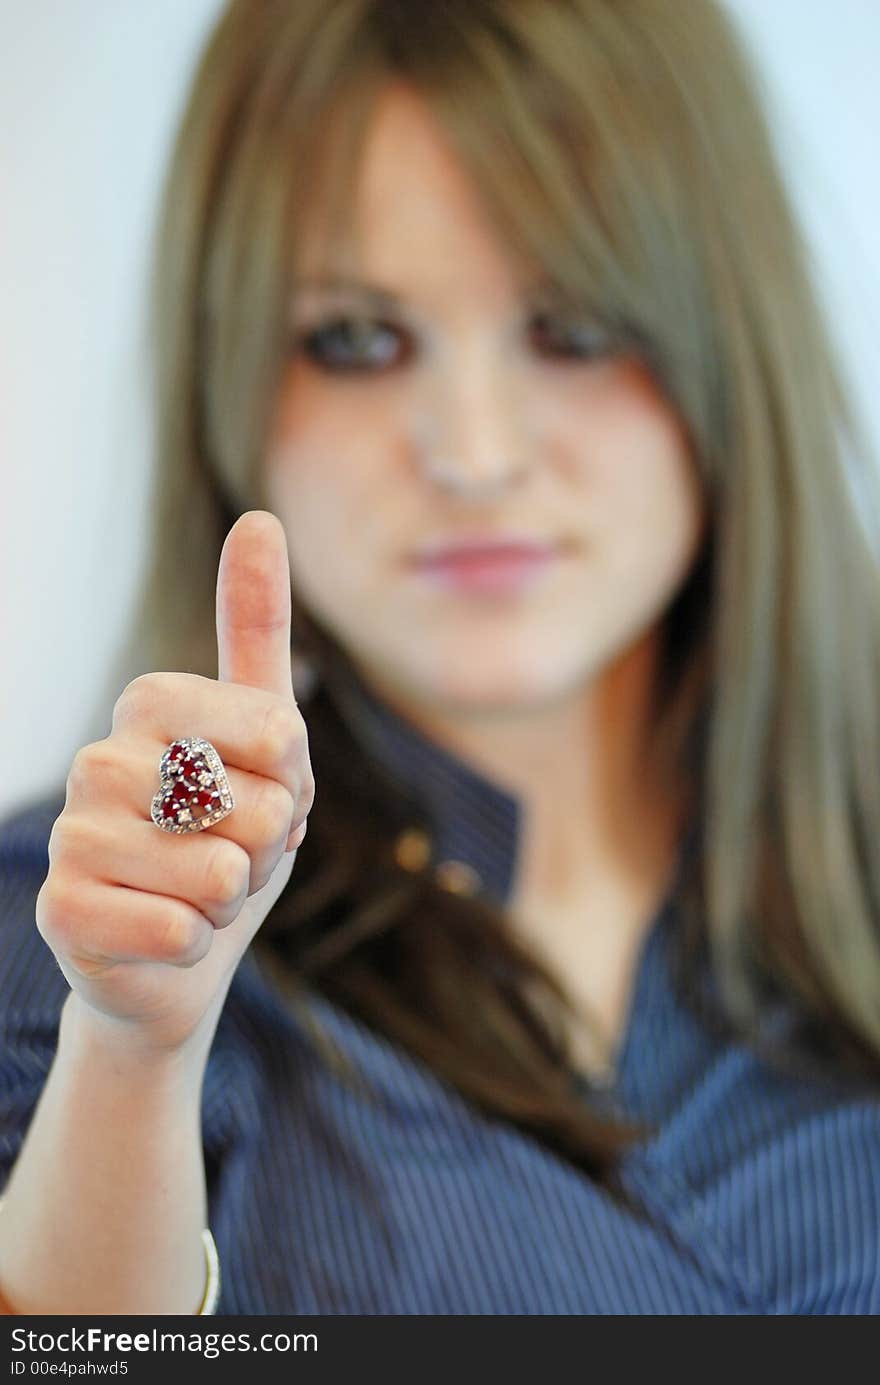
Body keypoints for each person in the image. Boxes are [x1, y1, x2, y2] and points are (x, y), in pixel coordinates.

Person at [1, 0, 879, 1316]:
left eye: (573, 326)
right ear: (228, 379)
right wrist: (131, 1054)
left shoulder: (849, 865)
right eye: (357, 340)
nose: (473, 451)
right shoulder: (79, 939)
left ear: (726, 344)